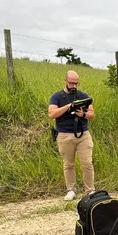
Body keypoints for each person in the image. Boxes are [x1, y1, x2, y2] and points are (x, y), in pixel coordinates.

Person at [48, 70, 95, 200]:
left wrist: (83, 114)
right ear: (65, 81)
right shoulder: (57, 97)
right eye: (71, 83)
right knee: (68, 164)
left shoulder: (83, 95)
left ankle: (90, 190)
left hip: (83, 134)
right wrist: (68, 107)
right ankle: (71, 190)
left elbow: (92, 114)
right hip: (64, 135)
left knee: (87, 163)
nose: (74, 86)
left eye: (76, 83)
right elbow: (52, 114)